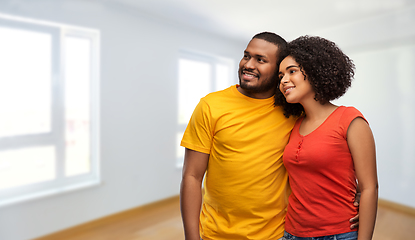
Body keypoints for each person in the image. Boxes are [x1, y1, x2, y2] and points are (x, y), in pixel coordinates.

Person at [180, 32, 359, 240]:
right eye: (247, 56)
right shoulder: (210, 106)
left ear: (277, 71)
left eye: (260, 60)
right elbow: (192, 176)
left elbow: (328, 155)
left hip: (277, 234)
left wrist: (360, 192)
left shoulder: (294, 110)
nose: (248, 64)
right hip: (215, 233)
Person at [275, 36, 378, 240]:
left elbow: (369, 187)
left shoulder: (349, 119)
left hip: (338, 234)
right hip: (292, 233)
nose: (284, 80)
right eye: (280, 76)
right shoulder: (295, 125)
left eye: (292, 71)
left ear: (315, 71)